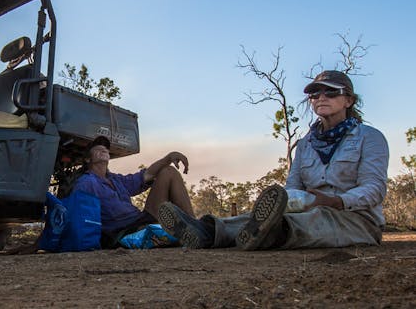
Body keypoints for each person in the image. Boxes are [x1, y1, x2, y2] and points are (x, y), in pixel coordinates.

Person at [157, 70, 389, 250]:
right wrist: (293, 202)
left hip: (356, 220)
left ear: (348, 100)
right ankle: (207, 231)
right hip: (309, 211)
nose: (321, 98)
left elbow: (374, 188)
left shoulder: (369, 138)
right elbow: (294, 187)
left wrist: (336, 201)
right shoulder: (306, 144)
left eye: (331, 92)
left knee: (311, 222)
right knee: (267, 218)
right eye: (315, 94)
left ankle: (271, 234)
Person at [73, 140, 195, 247]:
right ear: (87, 159)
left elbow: (146, 176)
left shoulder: (116, 179)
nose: (103, 149)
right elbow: (79, 214)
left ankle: (196, 227)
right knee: (170, 234)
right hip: (123, 231)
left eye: (105, 148)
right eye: (97, 149)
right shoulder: (86, 182)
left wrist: (168, 158)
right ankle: (183, 233)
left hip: (140, 220)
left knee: (168, 171)